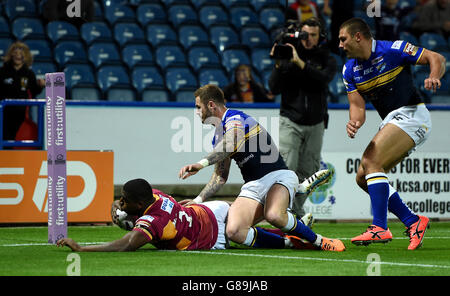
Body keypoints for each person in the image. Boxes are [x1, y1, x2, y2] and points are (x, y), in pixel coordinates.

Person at [177, 84, 345, 252]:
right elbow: (220, 176)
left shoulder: (235, 118)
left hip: (277, 177)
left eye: (198, 107)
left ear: (211, 105)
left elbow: (231, 143)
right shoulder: (217, 137)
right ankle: (289, 240)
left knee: (274, 215)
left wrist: (200, 164)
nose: (197, 112)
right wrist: (198, 201)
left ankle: (320, 241)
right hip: (253, 187)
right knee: (233, 231)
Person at [339, 17, 446, 250]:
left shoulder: (393, 49)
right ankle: (413, 221)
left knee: (371, 161)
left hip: (412, 114)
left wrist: (434, 75)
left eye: (343, 39)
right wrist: (354, 122)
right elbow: (357, 108)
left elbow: (436, 57)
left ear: (358, 37)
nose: (340, 44)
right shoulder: (349, 69)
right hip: (393, 120)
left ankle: (379, 227)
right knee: (362, 176)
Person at [269, 17, 336, 218]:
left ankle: (294, 210)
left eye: (313, 35)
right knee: (287, 168)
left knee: (309, 171)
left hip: (316, 123)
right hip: (290, 120)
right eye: (305, 34)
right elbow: (273, 87)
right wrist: (280, 65)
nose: (308, 39)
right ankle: (282, 211)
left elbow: (323, 79)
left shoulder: (326, 58)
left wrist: (300, 63)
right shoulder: (289, 54)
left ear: (320, 36)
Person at [57, 178, 230, 251]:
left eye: (125, 199)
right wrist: (116, 205)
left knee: (245, 235)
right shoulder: (154, 194)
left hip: (214, 236)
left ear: (139, 204)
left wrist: (81, 248)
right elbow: (122, 204)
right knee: (250, 212)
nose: (121, 201)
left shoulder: (154, 221)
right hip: (209, 209)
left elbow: (126, 245)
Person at [0, 41, 45, 141]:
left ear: (26, 56)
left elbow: (34, 92)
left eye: (21, 54)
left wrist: (40, 86)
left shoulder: (29, 73)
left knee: (13, 138)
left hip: (20, 113)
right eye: (15, 53)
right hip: (3, 112)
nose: (18, 56)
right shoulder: (2, 71)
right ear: (11, 55)